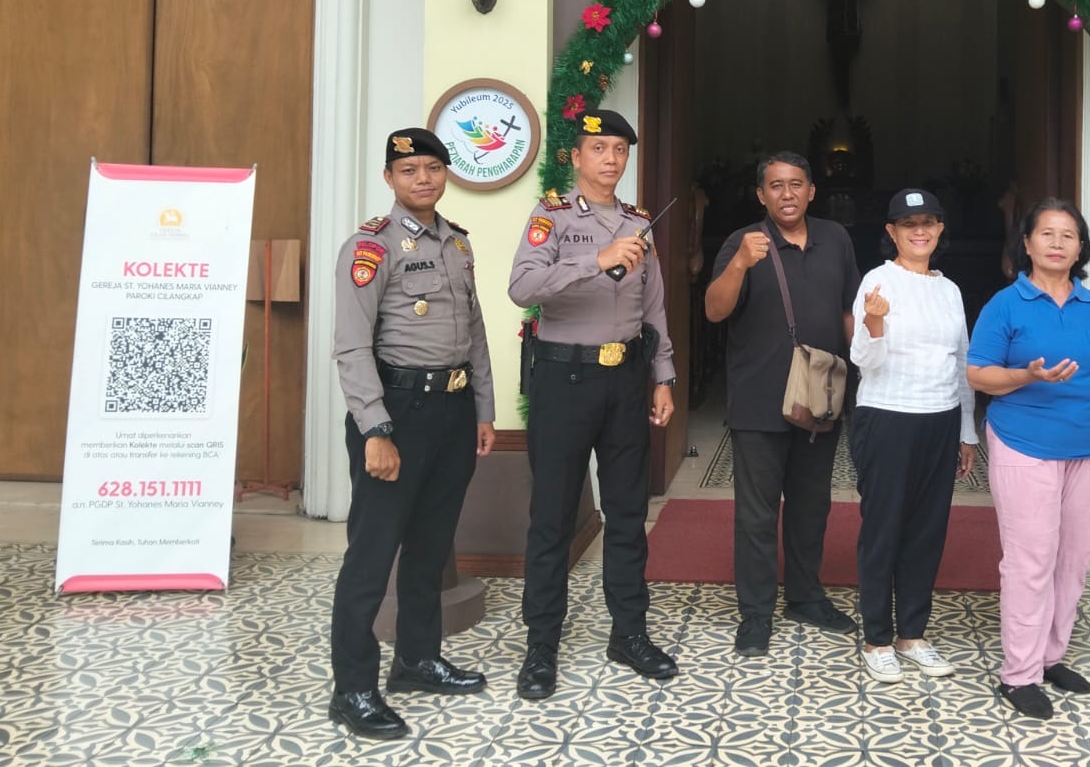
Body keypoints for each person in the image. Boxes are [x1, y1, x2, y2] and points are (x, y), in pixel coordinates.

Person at [328, 127, 497, 741]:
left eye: (433, 168)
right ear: (389, 178)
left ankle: (417, 661)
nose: (423, 179)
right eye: (409, 170)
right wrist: (375, 428)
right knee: (372, 555)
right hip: (396, 412)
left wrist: (483, 410)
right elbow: (351, 346)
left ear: (445, 174)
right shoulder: (370, 247)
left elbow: (474, 332)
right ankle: (352, 689)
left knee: (431, 546)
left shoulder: (458, 243)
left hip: (452, 412)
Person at [507, 108, 678, 701]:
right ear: (577, 157)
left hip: (626, 379)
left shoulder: (640, 223)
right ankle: (541, 646)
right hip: (565, 380)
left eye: (620, 150)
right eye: (599, 148)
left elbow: (653, 308)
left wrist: (663, 376)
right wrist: (596, 261)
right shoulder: (550, 217)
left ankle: (629, 633)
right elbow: (522, 288)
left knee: (628, 513)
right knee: (552, 516)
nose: (611, 158)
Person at [967, 198, 1090, 721]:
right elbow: (978, 375)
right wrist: (1027, 375)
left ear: (1081, 248)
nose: (1058, 243)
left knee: (1075, 558)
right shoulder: (1005, 305)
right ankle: (1019, 673)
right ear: (1028, 243)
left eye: (1069, 235)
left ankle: (1051, 656)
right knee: (1031, 559)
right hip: (1024, 443)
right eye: (1047, 233)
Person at [705, 151, 861, 657]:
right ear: (761, 195)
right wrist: (740, 263)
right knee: (756, 513)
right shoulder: (742, 241)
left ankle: (805, 596)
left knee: (812, 504)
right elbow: (714, 310)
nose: (787, 194)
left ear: (812, 191)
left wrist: (866, 367)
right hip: (759, 399)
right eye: (776, 185)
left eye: (796, 184)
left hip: (820, 397)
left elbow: (848, 311)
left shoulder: (835, 239)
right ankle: (755, 613)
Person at [848, 188, 979, 683]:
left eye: (928, 222)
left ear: (940, 229)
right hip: (887, 417)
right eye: (908, 224)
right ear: (892, 232)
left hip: (939, 418)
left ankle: (912, 634)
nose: (919, 231)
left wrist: (967, 430)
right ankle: (877, 638)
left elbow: (962, 362)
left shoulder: (950, 290)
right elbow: (864, 361)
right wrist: (874, 321)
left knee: (927, 531)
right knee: (884, 529)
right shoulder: (877, 281)